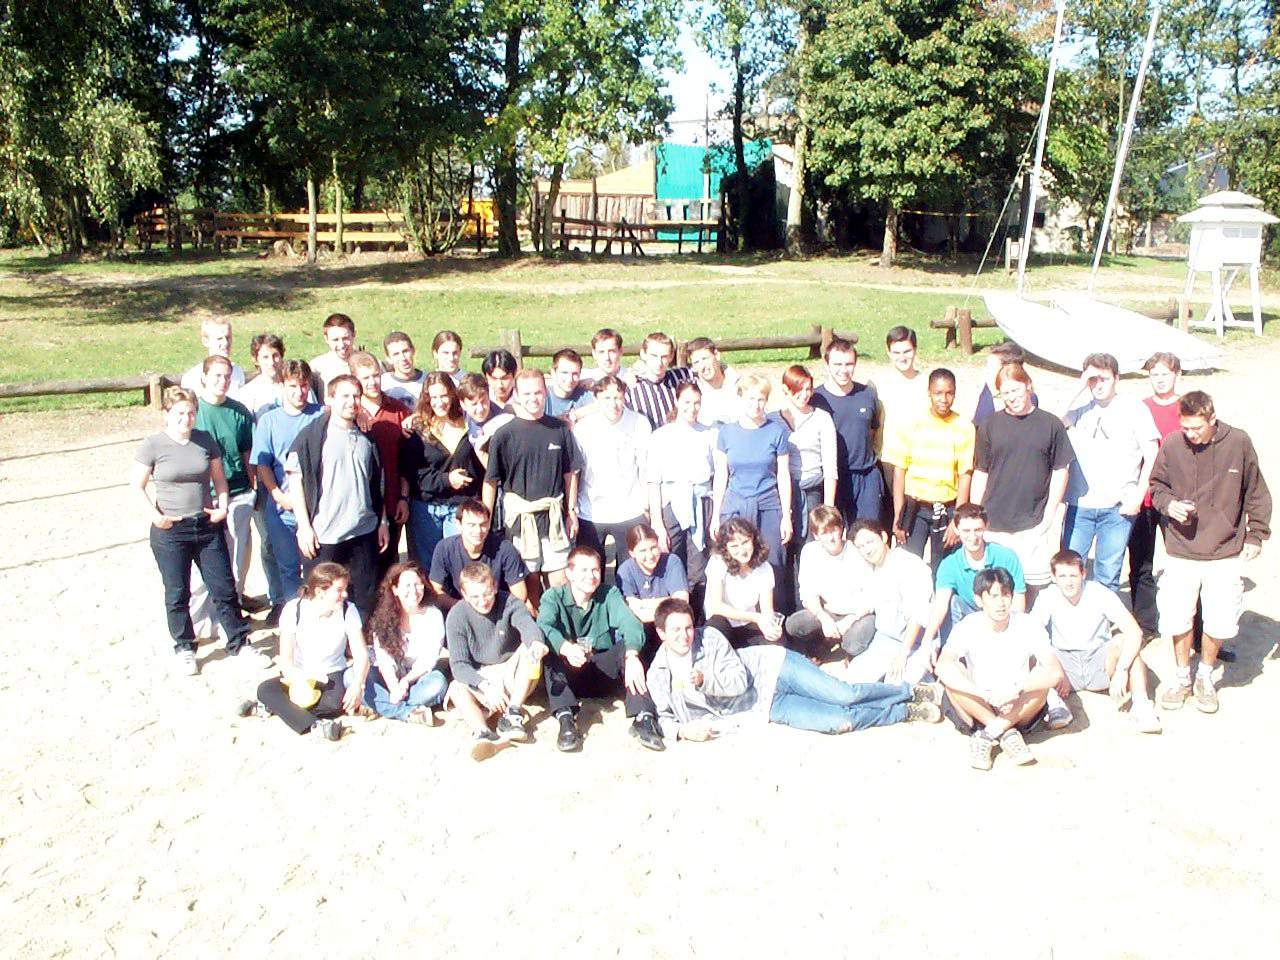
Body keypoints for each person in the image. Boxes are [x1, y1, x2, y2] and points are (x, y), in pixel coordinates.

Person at [647, 599, 942, 741]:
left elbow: (738, 681)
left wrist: (704, 680)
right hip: (764, 707)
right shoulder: (659, 674)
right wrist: (683, 731)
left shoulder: (709, 638)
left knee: (844, 694)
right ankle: (904, 711)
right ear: (661, 633)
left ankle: (907, 691)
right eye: (676, 630)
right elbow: (664, 717)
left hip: (774, 668)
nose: (685, 636)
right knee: (839, 722)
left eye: (688, 627)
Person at [1150, 390, 1271, 714]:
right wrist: (1169, 505)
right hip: (1180, 548)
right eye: (1186, 428)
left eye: (1197, 428)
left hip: (1224, 550)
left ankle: (1204, 676)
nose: (1191, 435)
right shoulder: (1172, 444)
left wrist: (1256, 535)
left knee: (1219, 621)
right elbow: (1157, 486)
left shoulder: (1239, 442)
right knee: (1177, 617)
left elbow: (1256, 491)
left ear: (1212, 419)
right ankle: (1181, 677)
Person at [133, 386, 252, 675]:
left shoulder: (204, 440)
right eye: (179, 413)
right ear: (166, 414)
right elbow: (136, 485)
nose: (186, 419)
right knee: (177, 591)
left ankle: (238, 642)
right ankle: (184, 646)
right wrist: (154, 516)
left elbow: (219, 479)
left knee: (223, 586)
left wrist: (222, 505)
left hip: (206, 524)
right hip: (171, 529)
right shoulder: (153, 445)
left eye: (190, 413)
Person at [935, 567, 1066, 771]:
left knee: (1042, 681)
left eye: (1005, 595)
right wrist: (985, 695)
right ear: (979, 599)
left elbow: (1055, 672)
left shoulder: (1027, 624)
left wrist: (1016, 690)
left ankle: (989, 733)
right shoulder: (968, 625)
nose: (1001, 603)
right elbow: (942, 666)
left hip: (1018, 705)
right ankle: (1005, 733)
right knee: (952, 676)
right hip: (980, 703)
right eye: (993, 596)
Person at [537, 546, 664, 751]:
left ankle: (644, 717)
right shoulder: (553, 597)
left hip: (602, 670)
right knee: (550, 654)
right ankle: (566, 718)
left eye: (595, 570)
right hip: (569, 675)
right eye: (584, 570)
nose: (591, 576)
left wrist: (632, 655)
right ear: (569, 573)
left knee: (629, 648)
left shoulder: (609, 594)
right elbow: (543, 626)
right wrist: (566, 647)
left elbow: (630, 623)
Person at [970, 360, 1074, 605]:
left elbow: (1061, 470)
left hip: (1034, 522)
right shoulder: (989, 425)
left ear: (1028, 386)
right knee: (996, 590)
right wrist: (975, 514)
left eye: (1015, 390)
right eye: (1005, 393)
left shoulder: (1051, 424)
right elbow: (981, 472)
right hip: (995, 522)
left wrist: (1049, 515)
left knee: (1034, 589)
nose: (1011, 397)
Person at [287, 374, 389, 619]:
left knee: (364, 600)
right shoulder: (311, 437)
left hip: (363, 530)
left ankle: (360, 640)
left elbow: (378, 483)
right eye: (345, 396)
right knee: (321, 600)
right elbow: (295, 481)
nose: (351, 402)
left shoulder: (367, 436)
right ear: (329, 398)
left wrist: (383, 521)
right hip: (325, 534)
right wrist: (304, 527)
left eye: (356, 396)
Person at [1060, 352, 1160, 594]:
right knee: (1068, 570)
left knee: (1108, 574)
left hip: (1117, 507)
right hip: (1080, 505)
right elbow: (1050, 423)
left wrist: (1138, 497)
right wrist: (1078, 386)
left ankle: (1103, 618)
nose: (1098, 385)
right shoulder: (1079, 409)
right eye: (1092, 380)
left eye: (1103, 379)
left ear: (1116, 378)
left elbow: (1152, 454)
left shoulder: (1135, 408)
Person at [1032, 550, 1161, 734]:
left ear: (1083, 574)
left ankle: (1142, 706)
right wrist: (1056, 669)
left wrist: (1122, 670)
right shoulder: (1047, 596)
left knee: (1125, 644)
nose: (1068, 582)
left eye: (1073, 575)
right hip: (1065, 665)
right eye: (1062, 576)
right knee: (1036, 654)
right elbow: (1032, 633)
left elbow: (1134, 631)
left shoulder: (1099, 592)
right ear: (1053, 577)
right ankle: (1055, 705)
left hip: (1099, 661)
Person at [245, 562, 370, 741]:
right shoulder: (293, 609)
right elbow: (286, 659)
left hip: (332, 673)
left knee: (336, 703)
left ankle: (276, 708)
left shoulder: (348, 610)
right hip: (300, 674)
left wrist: (358, 683)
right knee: (265, 689)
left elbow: (361, 654)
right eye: (339, 590)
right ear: (320, 592)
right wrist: (298, 680)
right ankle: (314, 725)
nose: (345, 595)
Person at [483, 368, 578, 591]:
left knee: (561, 584)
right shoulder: (504, 435)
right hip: (520, 523)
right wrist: (486, 519)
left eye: (538, 393)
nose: (533, 398)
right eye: (527, 394)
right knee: (529, 586)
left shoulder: (560, 430)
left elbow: (570, 473)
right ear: (516, 394)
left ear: (546, 393)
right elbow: (491, 481)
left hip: (554, 519)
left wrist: (571, 511)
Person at [446, 562, 549, 760]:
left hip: (512, 672)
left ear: (494, 586)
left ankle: (513, 713)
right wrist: (485, 686)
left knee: (529, 652)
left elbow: (527, 625)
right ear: (464, 594)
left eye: (486, 594)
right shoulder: (456, 616)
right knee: (456, 688)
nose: (482, 601)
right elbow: (459, 665)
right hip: (482, 675)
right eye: (475, 597)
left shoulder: (510, 602)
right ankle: (482, 731)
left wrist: (536, 642)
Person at [189, 356, 257, 636]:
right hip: (204, 496)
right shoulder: (194, 411)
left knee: (236, 559)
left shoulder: (239, 412)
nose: (222, 381)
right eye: (216, 375)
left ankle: (230, 613)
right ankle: (197, 620)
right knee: (204, 564)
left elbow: (247, 452)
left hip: (238, 491)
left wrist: (253, 487)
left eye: (227, 376)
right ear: (204, 377)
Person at [251, 361, 325, 614]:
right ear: (283, 386)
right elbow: (263, 464)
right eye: (293, 386)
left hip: (316, 505)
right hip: (283, 505)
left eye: (303, 386)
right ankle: (295, 614)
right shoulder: (269, 421)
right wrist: (277, 494)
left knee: (317, 565)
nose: (299, 392)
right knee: (288, 566)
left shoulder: (321, 415)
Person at [882, 367, 974, 573]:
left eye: (949, 393)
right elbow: (900, 471)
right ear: (929, 393)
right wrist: (899, 516)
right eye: (938, 393)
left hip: (946, 508)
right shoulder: (912, 423)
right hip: (915, 509)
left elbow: (965, 474)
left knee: (944, 570)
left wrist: (957, 520)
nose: (944, 399)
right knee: (909, 567)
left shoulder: (963, 427)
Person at [711, 372, 792, 606]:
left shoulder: (777, 431)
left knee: (773, 562)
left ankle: (774, 617)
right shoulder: (726, 433)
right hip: (735, 504)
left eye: (760, 399)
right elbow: (721, 476)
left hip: (767, 505)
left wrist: (786, 516)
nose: (755, 405)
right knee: (732, 561)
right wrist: (716, 515)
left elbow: (783, 475)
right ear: (740, 398)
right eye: (750, 399)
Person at [918, 503, 1025, 658]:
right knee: (952, 602)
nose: (973, 537)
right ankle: (951, 655)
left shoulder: (1006, 556)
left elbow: (1018, 602)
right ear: (956, 529)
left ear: (986, 526)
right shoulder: (949, 564)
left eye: (978, 530)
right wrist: (926, 641)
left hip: (1001, 611)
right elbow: (940, 607)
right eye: (966, 531)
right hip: (969, 613)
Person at [1126, 352, 1184, 636]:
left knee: (1187, 564)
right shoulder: (1140, 408)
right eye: (1154, 374)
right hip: (1145, 497)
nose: (1159, 380)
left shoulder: (1187, 407)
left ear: (1177, 375)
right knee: (1140, 563)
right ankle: (1146, 625)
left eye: (1165, 374)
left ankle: (1196, 630)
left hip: (1177, 499)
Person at [402, 373, 483, 568]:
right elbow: (413, 474)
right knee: (428, 567)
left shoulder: (470, 423)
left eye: (444, 396)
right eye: (434, 397)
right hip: (427, 508)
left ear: (453, 395)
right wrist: (447, 480)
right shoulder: (417, 430)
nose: (440, 402)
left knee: (460, 564)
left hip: (460, 506)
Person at [574, 375, 652, 578]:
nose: (613, 403)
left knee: (630, 571)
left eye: (618, 397)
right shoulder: (583, 428)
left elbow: (645, 467)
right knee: (591, 570)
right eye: (607, 398)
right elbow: (575, 470)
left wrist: (647, 502)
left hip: (630, 508)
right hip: (591, 510)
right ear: (596, 399)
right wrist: (572, 507)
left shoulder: (639, 423)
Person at [845, 519, 934, 684]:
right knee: (852, 680)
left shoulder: (909, 564)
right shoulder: (871, 568)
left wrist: (902, 655)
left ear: (884, 537)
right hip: (885, 640)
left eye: (870, 542)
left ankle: (927, 679)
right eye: (860, 547)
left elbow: (918, 616)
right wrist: (849, 620)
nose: (867, 550)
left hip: (915, 643)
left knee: (897, 686)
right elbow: (869, 603)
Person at [647, 381, 717, 591]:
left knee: (699, 566)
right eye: (687, 402)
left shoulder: (709, 433)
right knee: (669, 560)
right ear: (677, 401)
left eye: (697, 403)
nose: (692, 408)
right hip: (671, 505)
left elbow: (718, 475)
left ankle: (696, 608)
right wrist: (658, 523)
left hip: (701, 503)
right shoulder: (660, 436)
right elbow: (653, 482)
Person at [349, 352, 410, 579]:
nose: (373, 382)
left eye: (376, 375)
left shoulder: (398, 410)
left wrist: (404, 497)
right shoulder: (348, 413)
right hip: (359, 505)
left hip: (392, 500)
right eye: (365, 378)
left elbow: (407, 461)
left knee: (388, 569)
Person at [785, 505, 874, 660]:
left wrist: (850, 620)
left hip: (858, 614)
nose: (831, 538)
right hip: (829, 612)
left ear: (841, 529)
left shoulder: (856, 550)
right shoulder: (810, 551)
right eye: (824, 533)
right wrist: (823, 618)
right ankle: (821, 645)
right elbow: (808, 594)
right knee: (794, 624)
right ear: (816, 535)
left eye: (833, 531)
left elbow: (871, 596)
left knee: (853, 642)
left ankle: (846, 651)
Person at [363, 561, 448, 724]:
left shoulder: (433, 615)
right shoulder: (383, 617)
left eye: (418, 585)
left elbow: (428, 660)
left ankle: (383, 704)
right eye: (407, 586)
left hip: (419, 677)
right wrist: (394, 686)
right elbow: (384, 659)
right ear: (395, 589)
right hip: (390, 677)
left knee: (437, 685)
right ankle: (408, 713)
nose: (413, 591)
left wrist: (406, 681)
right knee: (352, 677)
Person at [811, 337, 883, 523]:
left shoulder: (867, 394)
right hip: (832, 478)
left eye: (849, 364)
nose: (843, 370)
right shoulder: (816, 399)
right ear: (826, 363)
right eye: (837, 364)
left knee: (867, 531)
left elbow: (873, 431)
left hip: (866, 476)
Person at [428, 499, 531, 609]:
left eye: (483, 524)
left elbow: (520, 595)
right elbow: (435, 591)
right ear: (459, 524)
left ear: (489, 524)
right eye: (471, 525)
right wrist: (466, 609)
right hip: (459, 608)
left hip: (499, 609)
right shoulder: (444, 548)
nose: (478, 531)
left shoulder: (505, 548)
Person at [704, 518, 787, 649]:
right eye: (734, 546)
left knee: (777, 644)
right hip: (722, 622)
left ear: (753, 539)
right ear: (725, 548)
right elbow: (717, 606)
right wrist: (757, 617)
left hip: (749, 624)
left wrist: (770, 628)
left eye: (745, 542)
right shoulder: (717, 562)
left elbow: (767, 610)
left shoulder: (764, 568)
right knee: (715, 630)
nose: (742, 550)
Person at [779, 364, 837, 542]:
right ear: (786, 389)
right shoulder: (774, 419)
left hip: (812, 491)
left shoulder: (822, 418)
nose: (804, 395)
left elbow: (830, 466)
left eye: (808, 389)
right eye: (799, 389)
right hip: (784, 493)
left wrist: (828, 509)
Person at [616, 522, 690, 655]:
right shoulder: (625, 571)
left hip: (670, 626)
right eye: (643, 551)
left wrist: (644, 603)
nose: (650, 555)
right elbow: (637, 614)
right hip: (641, 629)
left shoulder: (672, 561)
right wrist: (669, 600)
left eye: (653, 548)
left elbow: (681, 603)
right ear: (632, 553)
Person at [873, 325, 925, 492]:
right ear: (888, 352)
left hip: (918, 460)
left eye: (907, 351)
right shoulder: (877, 384)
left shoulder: (926, 383)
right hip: (888, 459)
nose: (902, 357)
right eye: (896, 352)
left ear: (915, 350)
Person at [626, 331, 693, 429]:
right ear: (643, 354)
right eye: (654, 356)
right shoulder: (632, 386)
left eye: (664, 357)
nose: (659, 362)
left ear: (671, 356)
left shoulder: (681, 376)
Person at [238, 332, 305, 420]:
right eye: (265, 357)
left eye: (275, 355)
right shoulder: (248, 393)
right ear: (256, 360)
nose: (271, 362)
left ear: (281, 356)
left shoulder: (298, 386)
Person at [972, 340, 1036, 425]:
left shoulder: (1026, 400)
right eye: (987, 366)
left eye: (992, 368)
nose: (986, 372)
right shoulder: (989, 390)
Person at [180, 317, 245, 396]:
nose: (225, 343)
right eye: (219, 339)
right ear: (205, 341)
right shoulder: (192, 378)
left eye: (228, 337)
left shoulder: (237, 372)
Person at [686, 336, 741, 425]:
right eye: (696, 362)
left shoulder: (740, 384)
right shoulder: (693, 394)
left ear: (717, 355)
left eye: (705, 359)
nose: (702, 366)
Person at [458, 372, 513, 458]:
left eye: (484, 401)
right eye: (474, 404)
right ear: (463, 404)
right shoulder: (461, 419)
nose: (480, 409)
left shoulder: (503, 421)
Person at [310, 313, 356, 392]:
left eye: (345, 338)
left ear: (354, 334)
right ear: (326, 339)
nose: (341, 345)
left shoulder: (368, 364)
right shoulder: (316, 368)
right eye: (335, 340)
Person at [380, 330, 426, 408]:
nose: (403, 358)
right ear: (388, 359)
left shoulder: (428, 380)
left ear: (413, 350)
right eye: (396, 354)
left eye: (405, 351)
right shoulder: (383, 384)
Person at [545, 348, 593, 420]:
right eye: (565, 373)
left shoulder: (585, 396)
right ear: (553, 373)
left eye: (575, 374)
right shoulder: (543, 397)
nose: (570, 379)